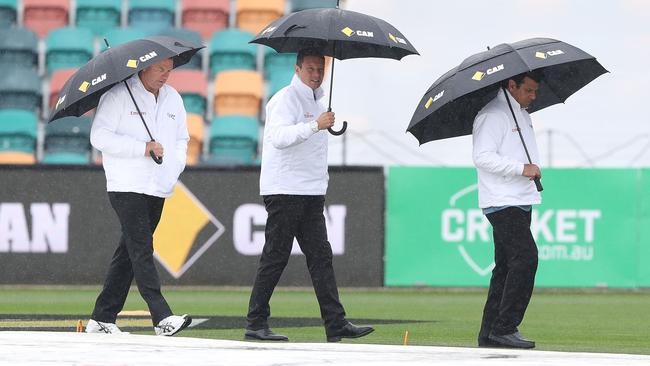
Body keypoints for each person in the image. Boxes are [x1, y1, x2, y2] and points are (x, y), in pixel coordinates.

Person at [244, 48, 374, 342]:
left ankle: (335, 323)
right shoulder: (284, 99)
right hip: (285, 189)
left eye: (320, 70)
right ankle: (255, 322)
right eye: (311, 69)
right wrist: (316, 125)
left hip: (310, 190)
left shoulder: (319, 100)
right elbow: (278, 138)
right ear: (298, 68)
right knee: (276, 256)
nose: (316, 75)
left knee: (320, 257)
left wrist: (319, 124)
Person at [86, 57, 192, 336]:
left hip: (158, 185)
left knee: (129, 252)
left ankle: (102, 318)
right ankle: (161, 317)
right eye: (160, 69)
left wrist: (173, 167)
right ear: (144, 67)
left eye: (169, 70)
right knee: (141, 248)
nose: (165, 75)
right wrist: (142, 148)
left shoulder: (173, 98)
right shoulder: (119, 95)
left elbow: (182, 139)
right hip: (126, 184)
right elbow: (99, 137)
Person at [472, 71, 543, 349]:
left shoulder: (521, 113)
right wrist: (521, 168)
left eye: (535, 91)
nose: (533, 97)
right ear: (512, 85)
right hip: (502, 200)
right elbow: (481, 157)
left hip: (520, 199)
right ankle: (505, 327)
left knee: (504, 268)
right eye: (529, 91)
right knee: (526, 258)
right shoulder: (493, 114)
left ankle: (489, 333)